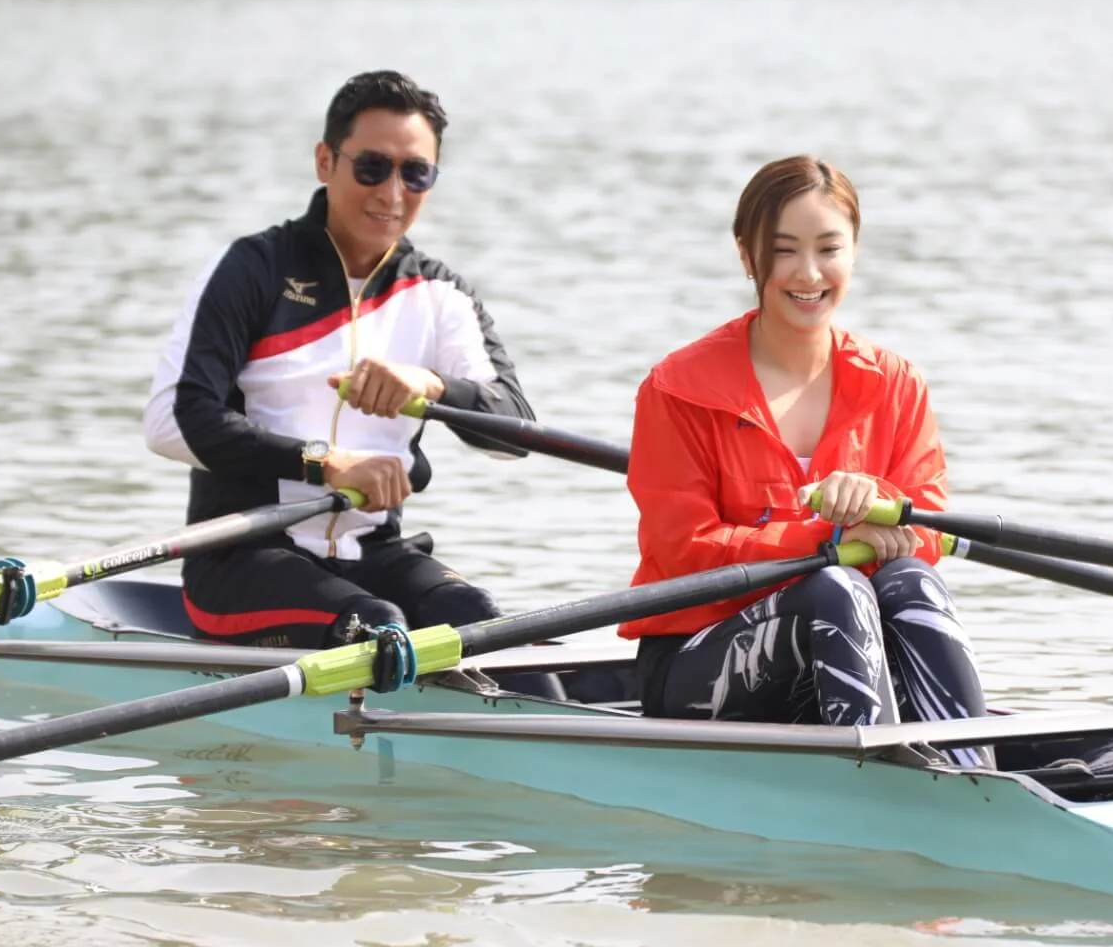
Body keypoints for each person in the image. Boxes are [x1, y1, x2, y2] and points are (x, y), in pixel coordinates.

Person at [616, 154, 992, 769]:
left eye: (829, 249)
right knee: (835, 588)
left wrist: (875, 501)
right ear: (747, 255)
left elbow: (926, 529)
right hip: (696, 665)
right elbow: (684, 550)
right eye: (784, 250)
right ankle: (885, 787)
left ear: (854, 252)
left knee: (912, 580)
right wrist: (830, 535)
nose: (809, 273)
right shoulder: (676, 389)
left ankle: (973, 773)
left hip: (846, 650)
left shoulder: (896, 383)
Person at [143, 70, 534, 651]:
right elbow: (170, 422)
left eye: (415, 173)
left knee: (478, 616)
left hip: (374, 554)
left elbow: (514, 433)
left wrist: (431, 386)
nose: (392, 194)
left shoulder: (440, 294)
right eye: (372, 167)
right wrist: (323, 464)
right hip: (242, 558)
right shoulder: (253, 270)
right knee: (376, 623)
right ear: (325, 161)